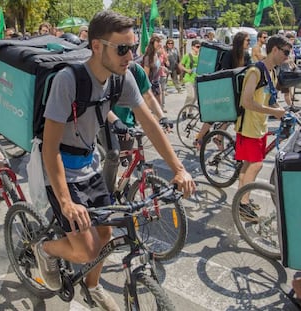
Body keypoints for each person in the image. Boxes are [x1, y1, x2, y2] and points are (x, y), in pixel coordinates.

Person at [35, 10, 195, 310]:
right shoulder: (67, 81)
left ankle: (91, 286)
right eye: (123, 49)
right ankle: (44, 250)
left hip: (89, 164)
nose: (130, 56)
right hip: (59, 168)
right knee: (86, 250)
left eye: (132, 48)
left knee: (106, 236)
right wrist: (67, 201)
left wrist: (179, 169)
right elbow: (50, 148)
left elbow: (150, 124)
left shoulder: (123, 78)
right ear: (97, 46)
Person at [235, 34, 289, 222]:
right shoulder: (255, 71)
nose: (287, 57)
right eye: (285, 52)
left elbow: (270, 100)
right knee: (256, 165)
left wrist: (281, 110)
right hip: (249, 127)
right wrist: (272, 112)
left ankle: (242, 200)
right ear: (274, 49)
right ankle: (243, 205)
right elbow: (246, 101)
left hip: (260, 126)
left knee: (248, 164)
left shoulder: (272, 72)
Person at [99, 62, 173, 195]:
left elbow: (149, 96)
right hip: (106, 120)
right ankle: (106, 195)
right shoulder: (107, 69)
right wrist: (115, 121)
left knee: (127, 159)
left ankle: (125, 187)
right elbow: (99, 102)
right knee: (114, 154)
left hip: (127, 122)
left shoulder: (137, 71)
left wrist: (162, 117)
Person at [194, 32, 252, 149]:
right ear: (240, 41)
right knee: (214, 116)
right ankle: (199, 138)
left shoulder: (246, 55)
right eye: (248, 40)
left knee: (232, 115)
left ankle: (218, 138)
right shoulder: (229, 53)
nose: (249, 43)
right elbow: (224, 71)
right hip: (223, 87)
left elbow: (249, 69)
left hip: (236, 89)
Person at [178, 40, 200, 120]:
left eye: (199, 47)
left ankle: (190, 112)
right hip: (188, 78)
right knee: (190, 95)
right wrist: (186, 70)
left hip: (197, 78)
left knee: (195, 97)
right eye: (197, 47)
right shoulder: (188, 55)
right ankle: (184, 110)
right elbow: (180, 65)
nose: (198, 48)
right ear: (193, 47)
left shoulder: (200, 56)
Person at [143, 34, 163, 110]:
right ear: (152, 43)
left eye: (160, 41)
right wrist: (148, 89)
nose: (160, 44)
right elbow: (146, 75)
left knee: (159, 107)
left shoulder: (157, 54)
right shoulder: (148, 58)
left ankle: (158, 121)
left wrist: (162, 68)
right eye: (157, 41)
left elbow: (157, 66)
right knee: (148, 108)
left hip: (156, 83)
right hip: (149, 85)